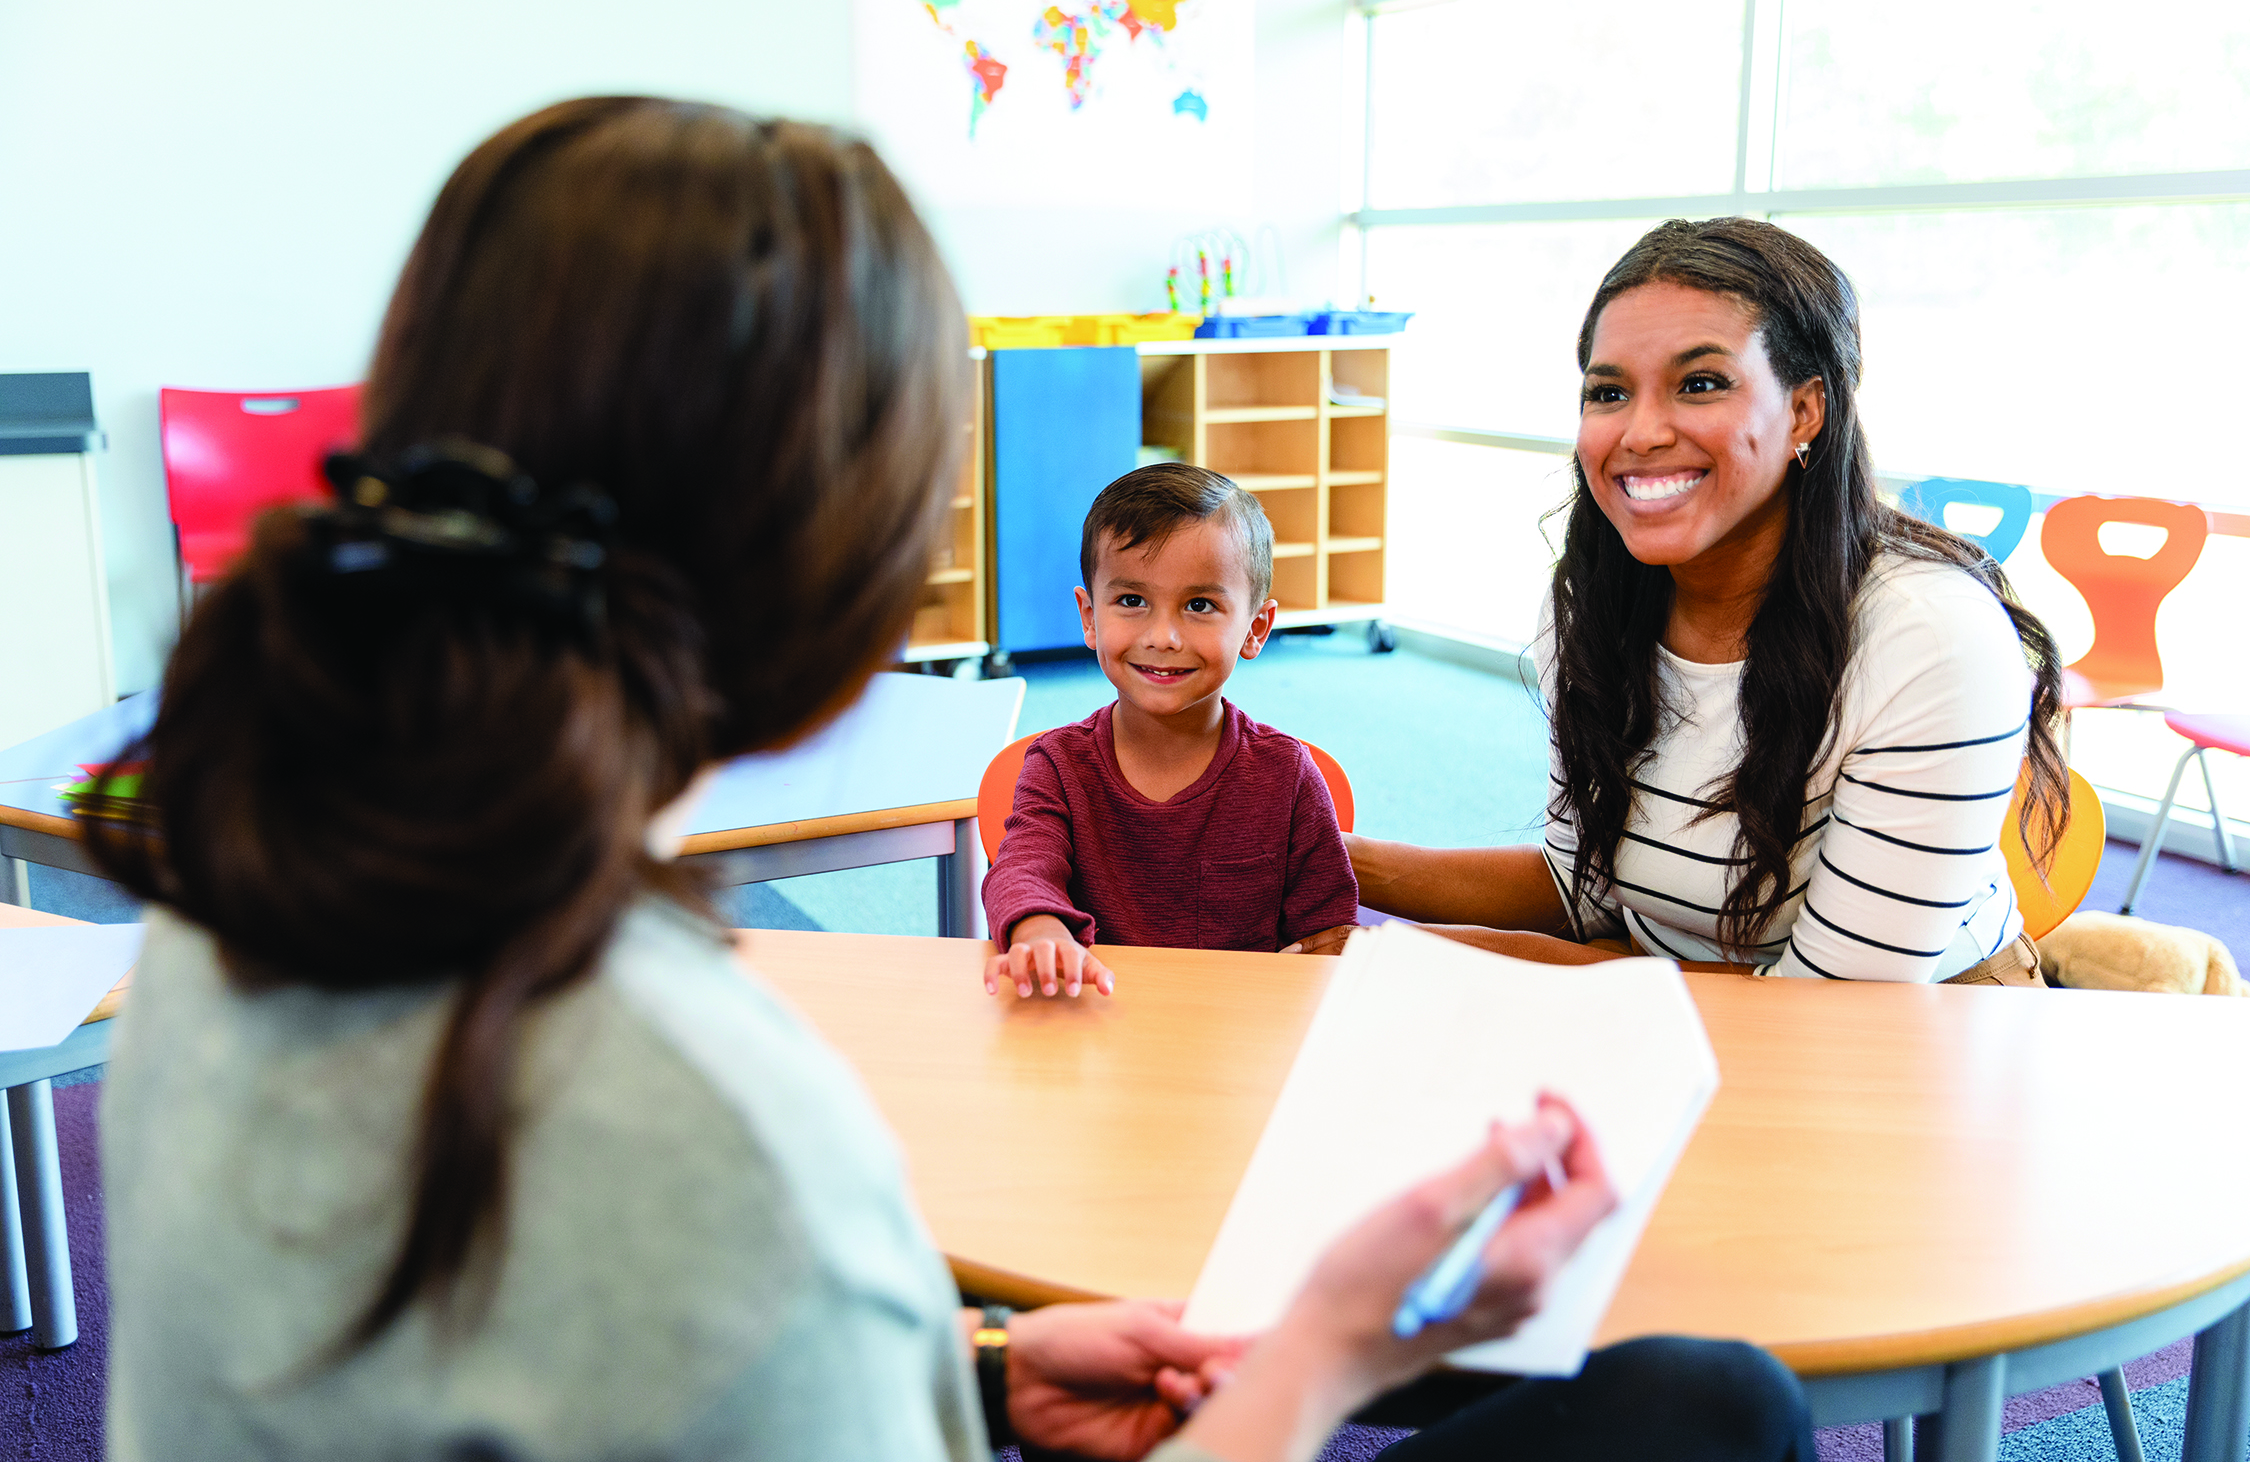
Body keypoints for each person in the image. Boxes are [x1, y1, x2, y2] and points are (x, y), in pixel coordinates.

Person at [85, 100, 1811, 1462]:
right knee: (1712, 1412)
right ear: (836, 572)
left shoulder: (239, 914)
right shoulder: (710, 1114)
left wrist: (973, 1364)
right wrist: (1336, 1347)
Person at [1336, 217, 2067, 984]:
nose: (1642, 431)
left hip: (1901, 1038)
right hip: (1671, 1001)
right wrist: (1329, 861)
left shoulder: (1931, 638)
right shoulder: (1595, 602)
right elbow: (1581, 890)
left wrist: (1397, 956)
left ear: (1805, 412)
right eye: (1609, 392)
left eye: (1701, 383)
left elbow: (1829, 1006)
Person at [982, 464, 1358, 999]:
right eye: (1132, 601)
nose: (1163, 637)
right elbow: (1023, 868)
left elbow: (1329, 933)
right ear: (1089, 617)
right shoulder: (1058, 765)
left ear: (1255, 629)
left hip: (1237, 1042)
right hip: (1095, 1027)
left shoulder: (1287, 775)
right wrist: (1040, 932)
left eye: (1200, 605)